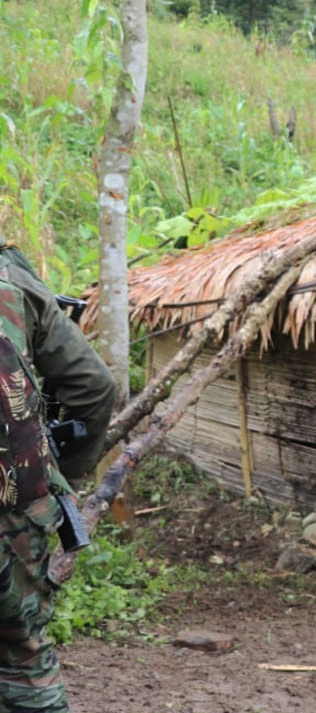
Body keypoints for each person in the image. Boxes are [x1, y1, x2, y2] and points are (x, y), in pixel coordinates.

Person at [0, 245, 115, 712]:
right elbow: (94, 387)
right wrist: (62, 473)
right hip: (14, 508)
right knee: (22, 656)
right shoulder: (12, 278)